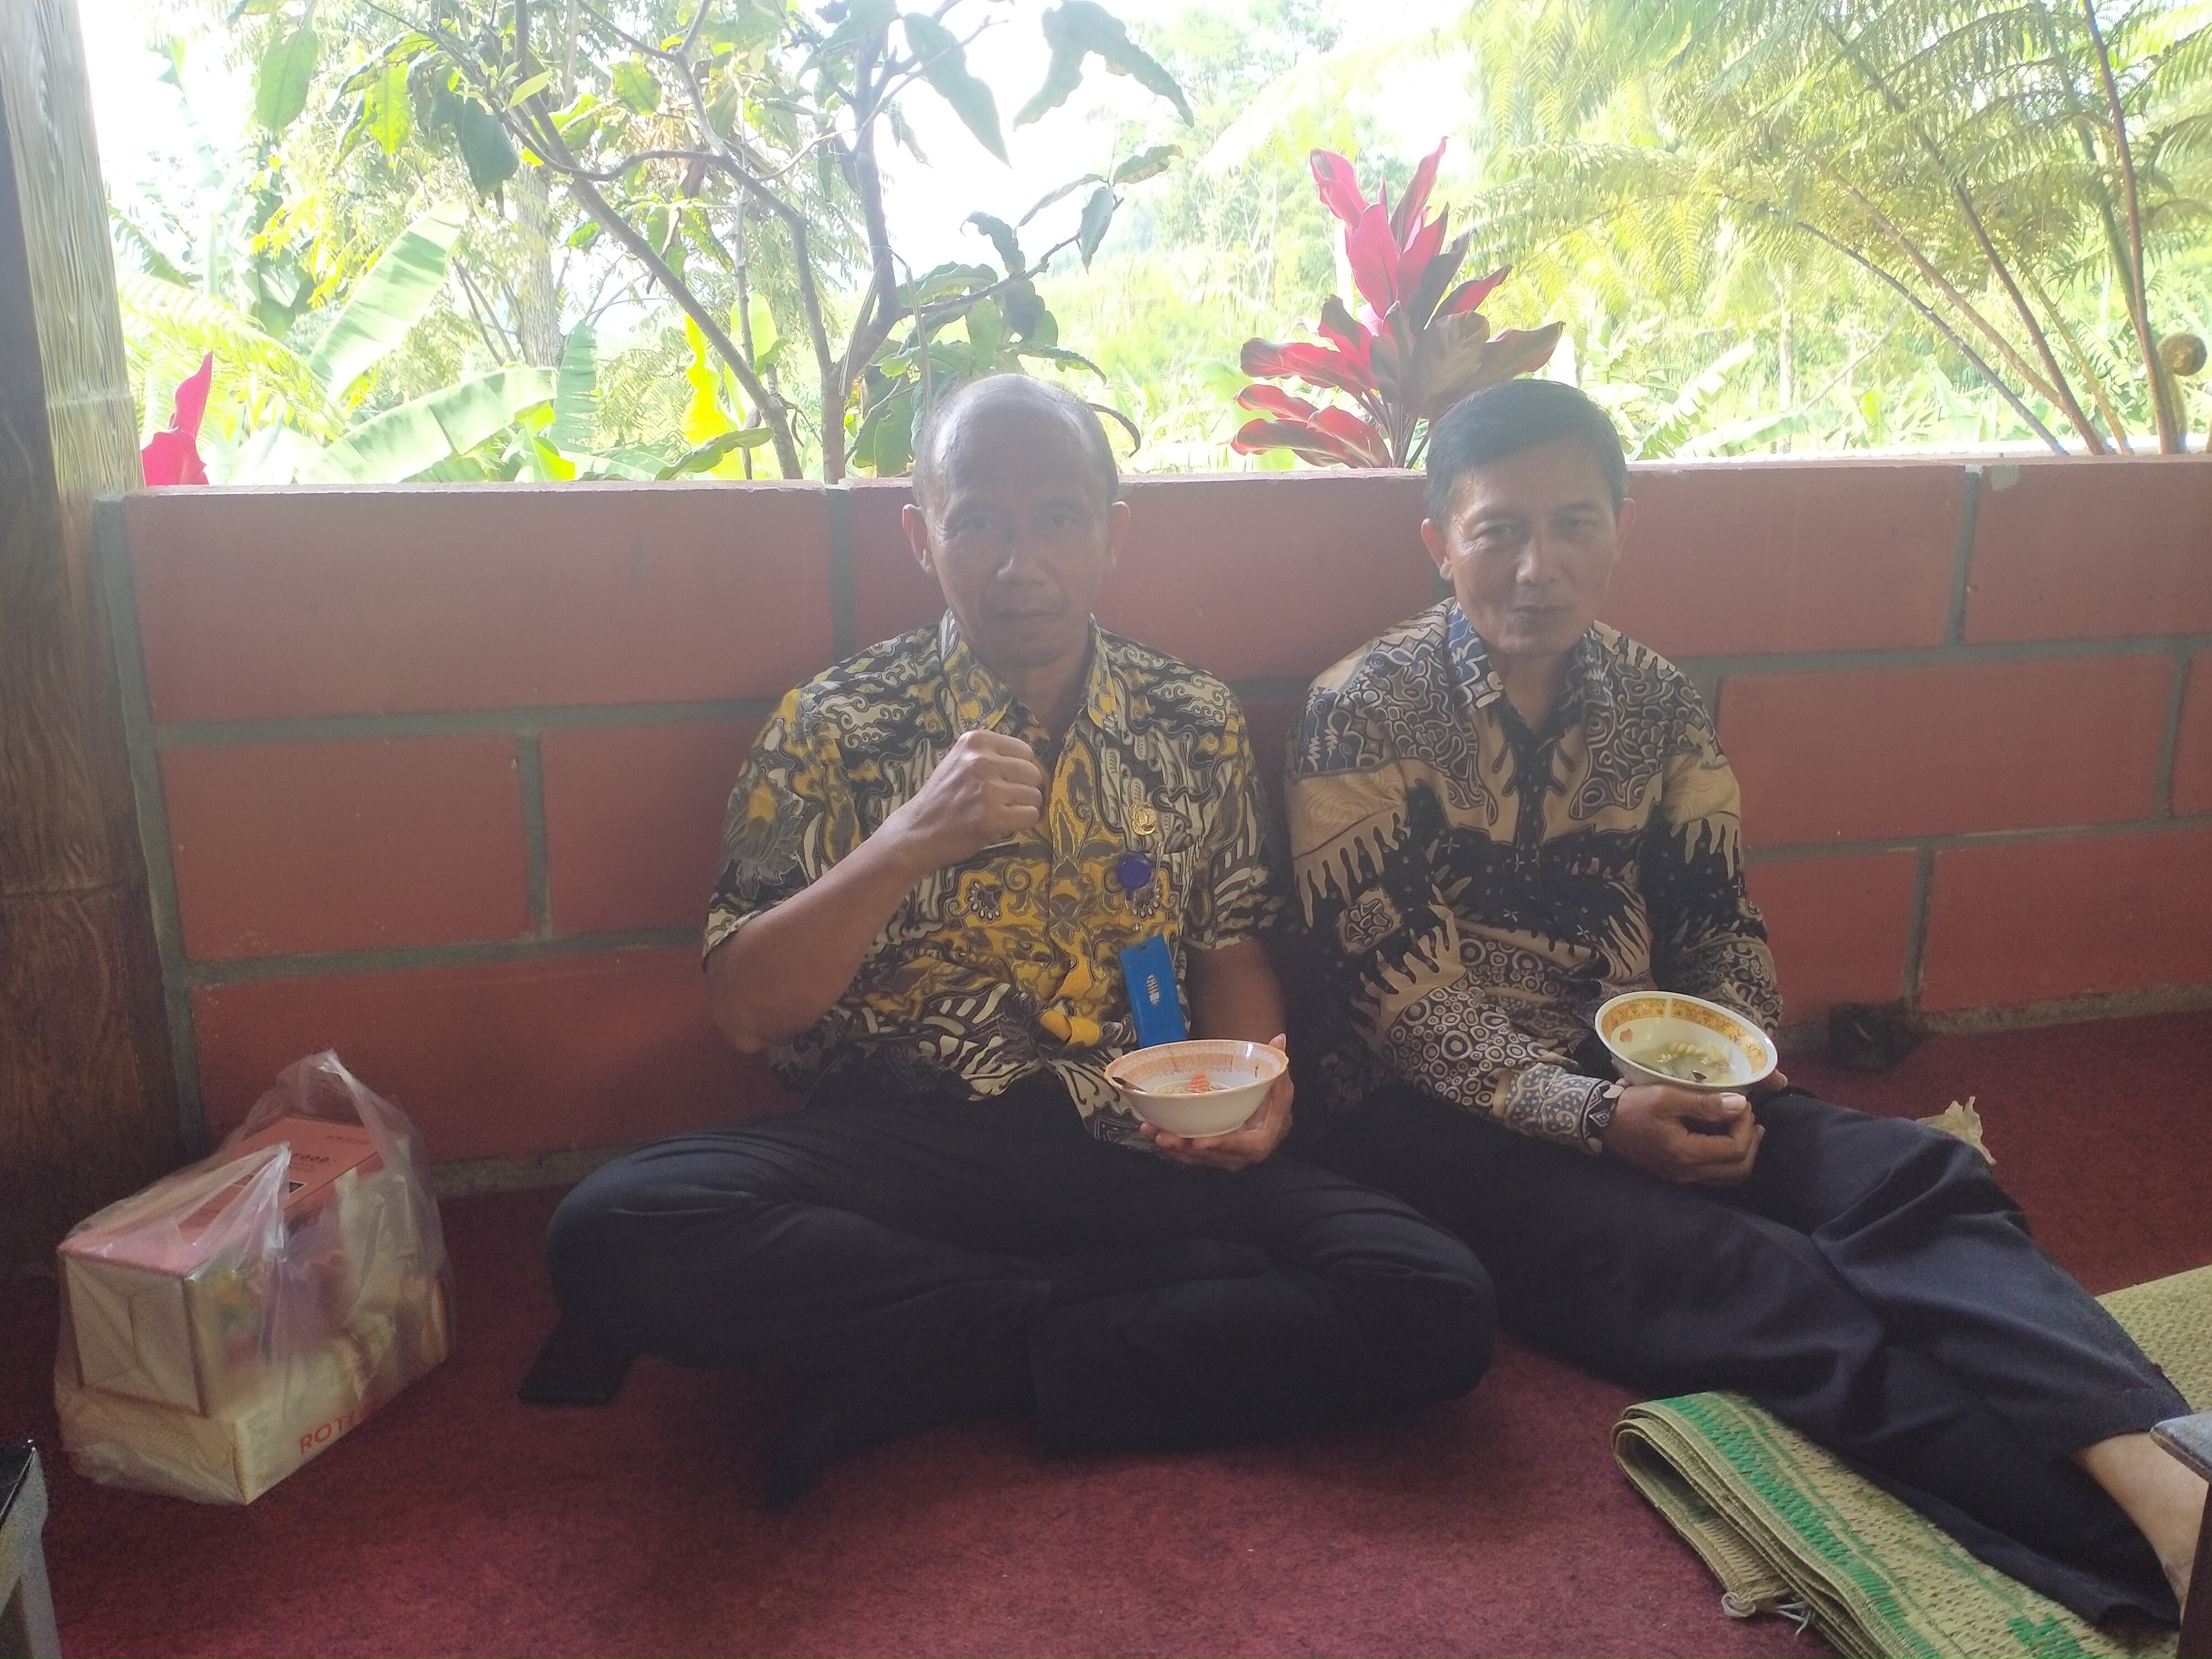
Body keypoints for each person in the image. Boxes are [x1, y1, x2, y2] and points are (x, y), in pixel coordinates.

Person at [1285, 377, 2205, 1623]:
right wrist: (1597, 1120)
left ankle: (2165, 1479)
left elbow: (1718, 919)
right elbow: (1398, 1001)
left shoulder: (1656, 700)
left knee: (1913, 1179)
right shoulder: (1362, 709)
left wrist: (1730, 1069)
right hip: (1437, 1125)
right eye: (1498, 530)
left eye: (1573, 524)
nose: (1538, 566)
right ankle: (2145, 1554)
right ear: (1439, 541)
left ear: (1621, 529)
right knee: (1770, 1288)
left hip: (1645, 1073)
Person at [547, 375, 1491, 1504]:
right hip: (904, 1149)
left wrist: (1262, 1092)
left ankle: (945, 1360)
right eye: (979, 523)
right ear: (920, 537)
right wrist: (903, 842)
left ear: (1111, 534)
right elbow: (748, 1012)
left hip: (1135, 1138)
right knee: (612, 1231)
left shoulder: (1189, 716)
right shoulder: (836, 724)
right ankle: (1115, 1313)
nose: (1019, 564)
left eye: (1056, 520)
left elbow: (1230, 948)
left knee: (1431, 1297)